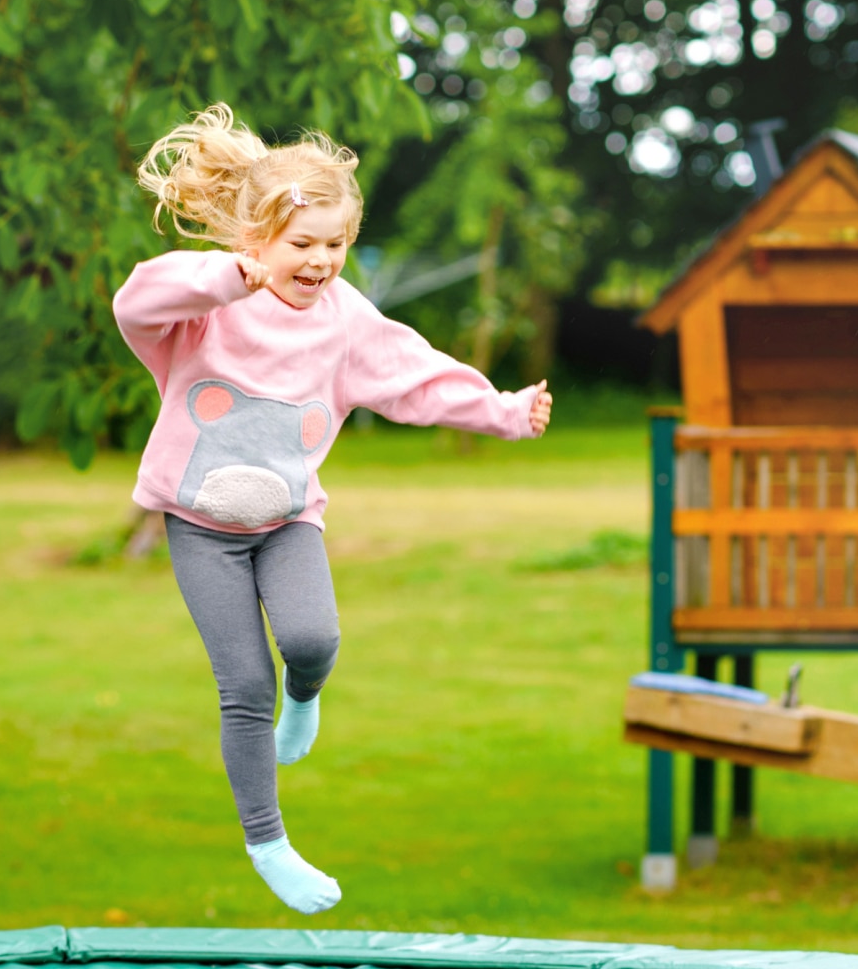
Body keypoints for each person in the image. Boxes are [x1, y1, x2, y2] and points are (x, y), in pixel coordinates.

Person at [113, 104, 552, 916]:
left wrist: (503, 410)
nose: (320, 261)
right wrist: (224, 278)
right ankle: (268, 841)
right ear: (256, 242)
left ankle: (306, 700)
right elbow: (135, 301)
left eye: (335, 244)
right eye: (301, 244)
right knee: (245, 681)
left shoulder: (346, 320)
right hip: (200, 529)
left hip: (286, 522)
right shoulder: (206, 304)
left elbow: (416, 377)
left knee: (313, 642)